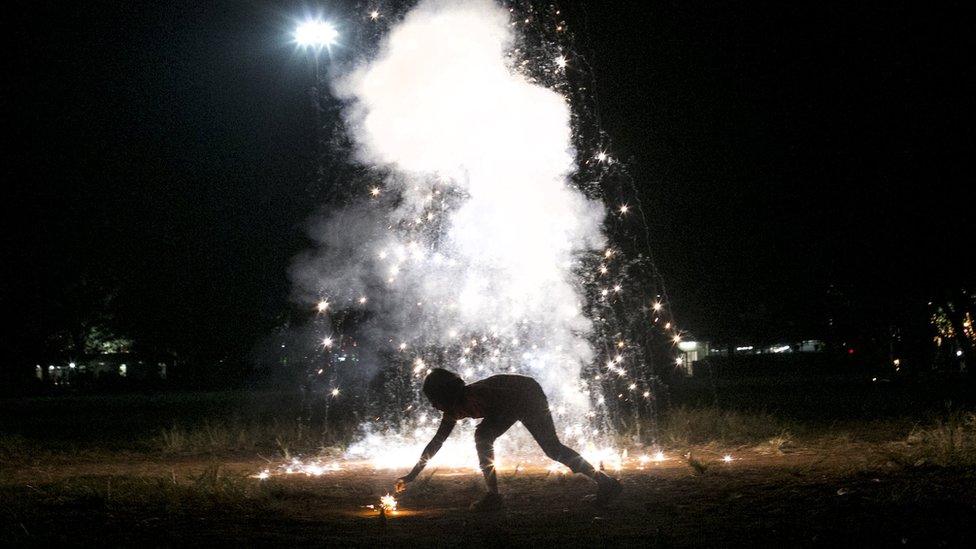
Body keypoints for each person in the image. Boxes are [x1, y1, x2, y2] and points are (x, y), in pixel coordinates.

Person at [395, 368, 622, 511]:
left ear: (446, 396)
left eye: (435, 401)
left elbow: (511, 405)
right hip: (519, 397)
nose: (434, 407)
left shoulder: (478, 395)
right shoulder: (453, 409)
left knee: (551, 449)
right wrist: (413, 474)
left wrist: (488, 429)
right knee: (546, 448)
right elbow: (437, 442)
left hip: (528, 394)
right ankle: (606, 483)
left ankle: (494, 498)